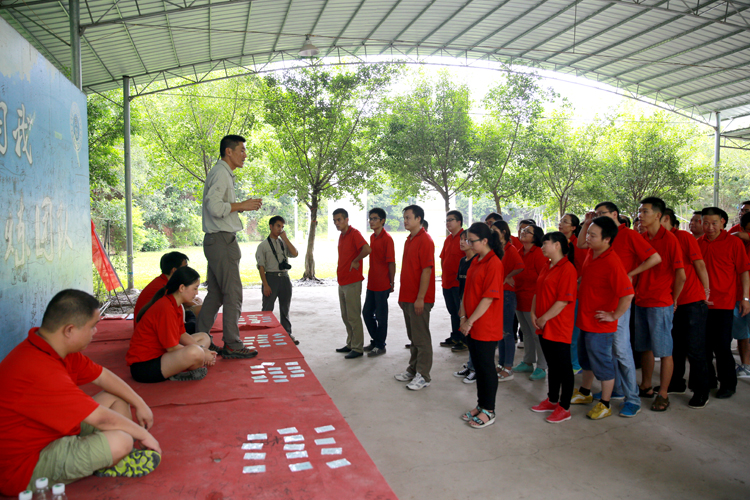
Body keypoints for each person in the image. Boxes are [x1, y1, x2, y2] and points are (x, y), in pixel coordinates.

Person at [0, 290, 162, 497]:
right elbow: (102, 419)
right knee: (122, 440)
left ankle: (107, 455)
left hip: (51, 432)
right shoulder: (38, 369)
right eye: (92, 326)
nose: (95, 331)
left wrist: (139, 403)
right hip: (24, 466)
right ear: (69, 330)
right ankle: (111, 456)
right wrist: (144, 434)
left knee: (116, 399)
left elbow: (103, 376)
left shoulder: (53, 349)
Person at [578, 201, 661, 418]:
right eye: (596, 214)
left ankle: (632, 399)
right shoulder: (595, 245)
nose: (597, 216)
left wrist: (629, 275)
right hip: (599, 306)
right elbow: (581, 244)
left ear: (614, 214)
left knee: (621, 351)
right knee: (607, 351)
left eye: (602, 213)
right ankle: (615, 390)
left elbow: (655, 258)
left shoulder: (629, 236)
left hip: (617, 304)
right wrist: (587, 224)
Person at [197, 135, 262, 359]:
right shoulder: (221, 173)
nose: (245, 155)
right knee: (232, 294)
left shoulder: (222, 173)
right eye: (241, 150)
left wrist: (240, 207)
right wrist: (241, 205)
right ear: (229, 151)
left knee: (216, 294)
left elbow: (220, 206)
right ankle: (233, 344)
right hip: (222, 241)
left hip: (218, 241)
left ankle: (199, 339)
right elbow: (215, 207)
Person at [571, 217, 635, 420]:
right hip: (585, 319)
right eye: (588, 233)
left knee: (602, 363)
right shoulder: (592, 253)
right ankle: (585, 392)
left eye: (593, 235)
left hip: (600, 325)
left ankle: (605, 403)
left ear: (607, 239)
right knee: (585, 360)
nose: (588, 238)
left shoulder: (612, 262)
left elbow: (628, 294)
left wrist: (614, 315)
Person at [633, 197, 685, 412]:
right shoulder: (641, 238)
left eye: (645, 211)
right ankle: (645, 385)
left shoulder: (670, 239)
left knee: (664, 350)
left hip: (661, 302)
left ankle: (663, 393)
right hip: (641, 300)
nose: (640, 215)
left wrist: (674, 299)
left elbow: (681, 275)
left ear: (658, 215)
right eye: (639, 211)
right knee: (644, 347)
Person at [128, 267, 217, 382]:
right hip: (145, 367)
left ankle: (188, 364)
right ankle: (184, 367)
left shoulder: (175, 304)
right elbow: (172, 347)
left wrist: (204, 350)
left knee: (204, 337)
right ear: (182, 288)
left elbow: (182, 334)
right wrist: (203, 353)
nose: (197, 293)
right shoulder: (166, 307)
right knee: (196, 352)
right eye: (195, 288)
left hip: (162, 354)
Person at [661, 208, 712, 408]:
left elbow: (699, 264)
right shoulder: (656, 239)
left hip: (691, 300)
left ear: (664, 218)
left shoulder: (683, 237)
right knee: (675, 346)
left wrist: (705, 292)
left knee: (695, 349)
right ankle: (676, 383)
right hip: (671, 301)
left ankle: (701, 391)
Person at [698, 207, 750, 399]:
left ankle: (728, 384)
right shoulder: (698, 243)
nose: (710, 227)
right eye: (706, 223)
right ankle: (709, 380)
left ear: (722, 222)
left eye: (714, 223)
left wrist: (745, 298)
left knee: (721, 346)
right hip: (701, 303)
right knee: (702, 346)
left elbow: (743, 272)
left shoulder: (734, 243)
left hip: (724, 303)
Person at [458, 223, 505, 428]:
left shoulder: (494, 263)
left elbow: (488, 298)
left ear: (484, 241)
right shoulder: (476, 260)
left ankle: (489, 410)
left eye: (472, 241)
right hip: (471, 323)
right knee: (478, 365)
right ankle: (481, 405)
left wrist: (470, 321)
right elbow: (466, 291)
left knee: (486, 368)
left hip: (485, 324)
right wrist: (462, 316)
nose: (468, 244)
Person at [530, 232, 578, 424]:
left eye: (546, 243)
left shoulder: (567, 269)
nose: (542, 247)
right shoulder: (547, 265)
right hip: (543, 323)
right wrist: (533, 313)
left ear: (558, 245)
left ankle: (564, 407)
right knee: (552, 364)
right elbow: (537, 291)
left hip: (558, 325)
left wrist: (544, 318)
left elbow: (563, 301)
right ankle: (552, 400)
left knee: (563, 366)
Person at [394, 205, 436, 391]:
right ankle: (413, 369)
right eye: (404, 217)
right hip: (408, 297)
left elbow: (426, 271)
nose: (405, 221)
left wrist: (420, 298)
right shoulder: (409, 240)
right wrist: (403, 297)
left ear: (419, 219)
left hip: (419, 298)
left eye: (408, 217)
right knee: (413, 336)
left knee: (421, 337)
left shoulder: (425, 240)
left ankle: (424, 375)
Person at [134, 251, 203, 336]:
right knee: (198, 315)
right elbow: (171, 343)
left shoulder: (163, 282)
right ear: (174, 270)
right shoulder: (166, 291)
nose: (187, 269)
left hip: (156, 328)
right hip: (156, 331)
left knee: (198, 330)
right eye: (185, 267)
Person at [332, 208, 371, 359]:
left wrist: (356, 260)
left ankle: (357, 347)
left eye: (339, 220)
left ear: (347, 219)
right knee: (345, 316)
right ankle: (350, 343)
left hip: (352, 281)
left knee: (353, 316)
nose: (337, 223)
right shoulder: (342, 236)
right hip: (342, 281)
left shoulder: (354, 233)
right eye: (335, 221)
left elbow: (367, 249)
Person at [512, 225, 549, 382]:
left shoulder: (539, 253)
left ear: (535, 236)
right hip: (519, 298)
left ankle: (541, 366)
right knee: (526, 332)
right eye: (523, 230)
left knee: (536, 334)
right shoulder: (519, 252)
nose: (523, 233)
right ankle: (528, 362)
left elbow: (544, 278)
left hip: (533, 300)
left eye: (528, 231)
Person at [255, 215, 299, 345]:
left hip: (284, 278)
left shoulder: (283, 243)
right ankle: (265, 334)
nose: (280, 229)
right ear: (271, 226)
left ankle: (287, 334)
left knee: (285, 308)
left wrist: (285, 239)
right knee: (267, 308)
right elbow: (261, 267)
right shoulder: (263, 246)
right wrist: (265, 285)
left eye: (282, 227)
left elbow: (295, 253)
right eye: (278, 226)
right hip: (271, 278)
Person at [363, 208, 396, 357]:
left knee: (381, 316)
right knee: (366, 313)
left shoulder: (387, 239)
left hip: (382, 284)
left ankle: (380, 345)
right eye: (370, 218)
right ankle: (376, 341)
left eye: (375, 218)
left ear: (383, 221)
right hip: (372, 283)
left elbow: (391, 263)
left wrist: (391, 282)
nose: (371, 221)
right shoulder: (372, 237)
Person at [558, 213, 585, 374]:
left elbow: (584, 268)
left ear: (574, 227)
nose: (561, 223)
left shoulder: (578, 245)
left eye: (565, 222)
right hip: (562, 293)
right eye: (561, 221)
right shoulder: (559, 243)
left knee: (573, 331)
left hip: (575, 294)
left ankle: (575, 363)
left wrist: (575, 283)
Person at [453, 230, 479, 383]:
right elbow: (461, 285)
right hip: (463, 303)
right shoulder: (463, 261)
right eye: (461, 239)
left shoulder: (477, 261)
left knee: (475, 337)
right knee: (468, 337)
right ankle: (470, 365)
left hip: (473, 304)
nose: (462, 242)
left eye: (466, 240)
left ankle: (476, 369)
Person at [440, 210, 467, 352]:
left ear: (459, 222)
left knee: (461, 312)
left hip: (459, 283)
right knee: (452, 311)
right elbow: (443, 258)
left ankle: (464, 340)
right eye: (447, 220)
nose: (448, 223)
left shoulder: (465, 238)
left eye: (451, 220)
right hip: (447, 282)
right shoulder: (448, 239)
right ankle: (455, 336)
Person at [732, 211, 750, 378]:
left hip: (743, 295)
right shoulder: (736, 240)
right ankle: (746, 366)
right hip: (739, 294)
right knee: (742, 333)